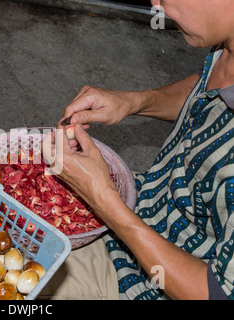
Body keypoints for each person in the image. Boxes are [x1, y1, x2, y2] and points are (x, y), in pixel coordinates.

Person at [39, 0, 233, 300]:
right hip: (141, 211)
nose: (156, 5)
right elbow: (209, 86)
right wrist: (134, 102)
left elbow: (217, 293)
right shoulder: (226, 41)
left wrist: (103, 198)